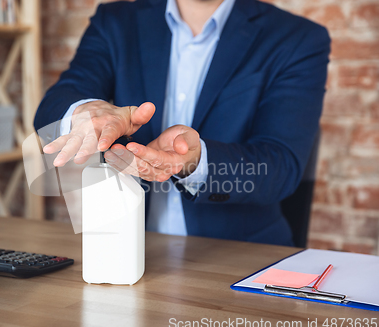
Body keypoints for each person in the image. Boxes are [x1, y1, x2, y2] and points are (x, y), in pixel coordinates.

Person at [33, 0, 331, 246]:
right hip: (124, 251)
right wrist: (87, 111)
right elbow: (55, 103)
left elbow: (281, 165)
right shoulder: (115, 21)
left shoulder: (298, 39)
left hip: (238, 260)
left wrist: (196, 160)